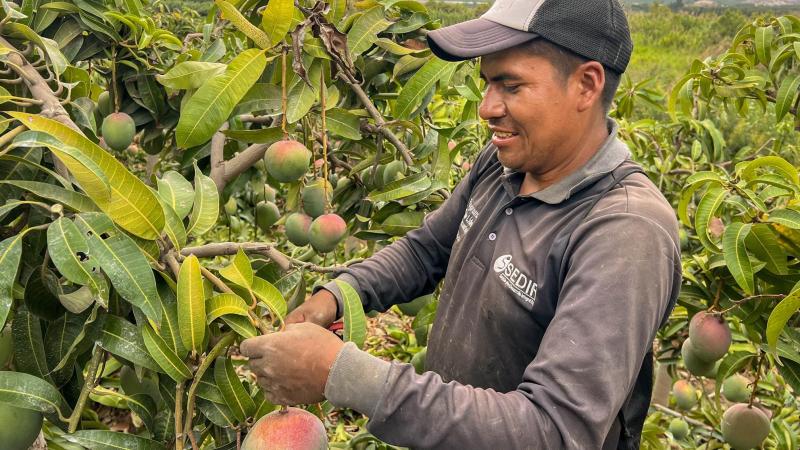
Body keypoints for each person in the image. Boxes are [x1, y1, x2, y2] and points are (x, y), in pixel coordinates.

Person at [240, 0, 682, 448]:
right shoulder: (503, 164)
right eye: (487, 83)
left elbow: (551, 431)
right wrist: (336, 297)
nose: (487, 108)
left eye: (510, 86)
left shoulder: (625, 231)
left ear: (586, 85)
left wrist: (345, 374)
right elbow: (425, 250)